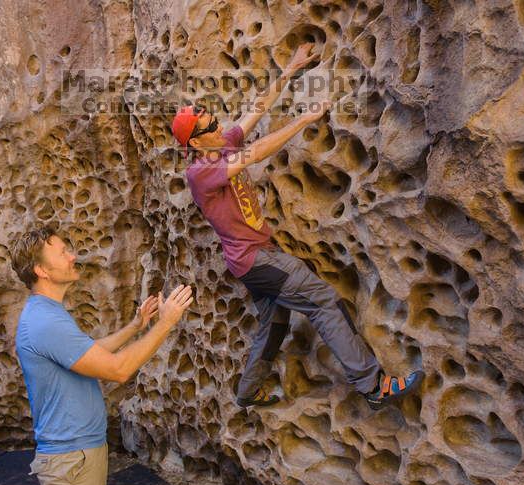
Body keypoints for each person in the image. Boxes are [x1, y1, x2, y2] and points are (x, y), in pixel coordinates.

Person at [171, 43, 423, 411]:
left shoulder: (221, 145)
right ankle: (374, 386)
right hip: (255, 259)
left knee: (273, 323)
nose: (216, 122)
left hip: (253, 258)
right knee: (323, 300)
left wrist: (288, 71)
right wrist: (304, 120)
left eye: (212, 115)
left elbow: (254, 112)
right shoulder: (200, 173)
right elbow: (255, 154)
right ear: (195, 140)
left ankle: (247, 392)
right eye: (208, 123)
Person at [10, 226, 194, 485]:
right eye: (62, 252)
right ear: (42, 270)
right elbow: (117, 370)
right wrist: (166, 323)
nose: (73, 256)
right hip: (70, 459)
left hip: (79, 454)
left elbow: (89, 353)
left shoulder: (48, 313)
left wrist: (137, 325)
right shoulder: (45, 320)